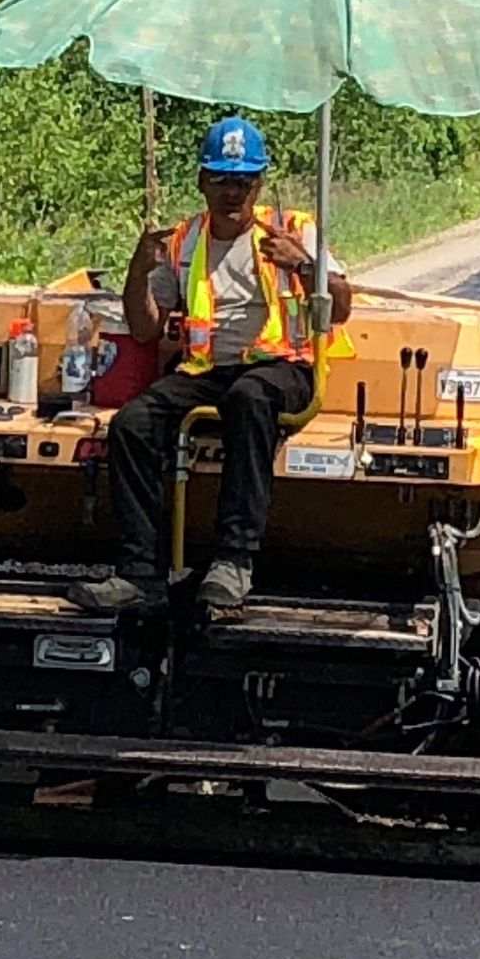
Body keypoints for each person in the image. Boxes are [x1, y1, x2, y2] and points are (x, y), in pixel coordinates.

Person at [68, 116, 353, 618]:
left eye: (243, 181)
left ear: (260, 182)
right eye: (222, 179)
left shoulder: (295, 229)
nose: (232, 192)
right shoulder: (183, 241)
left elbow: (343, 307)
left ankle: (233, 562)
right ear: (202, 181)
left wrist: (304, 265)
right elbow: (143, 329)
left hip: (283, 365)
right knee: (133, 425)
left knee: (250, 398)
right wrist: (139, 271)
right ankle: (140, 575)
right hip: (207, 369)